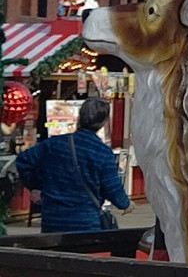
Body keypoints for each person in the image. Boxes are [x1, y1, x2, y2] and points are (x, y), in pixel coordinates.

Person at [16, 97, 132, 233]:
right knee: (84, 253)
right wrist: (125, 204)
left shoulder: (53, 144)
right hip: (86, 221)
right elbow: (111, 187)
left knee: (54, 253)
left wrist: (37, 185)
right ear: (103, 122)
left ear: (79, 118)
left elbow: (23, 161)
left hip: (53, 219)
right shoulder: (102, 152)